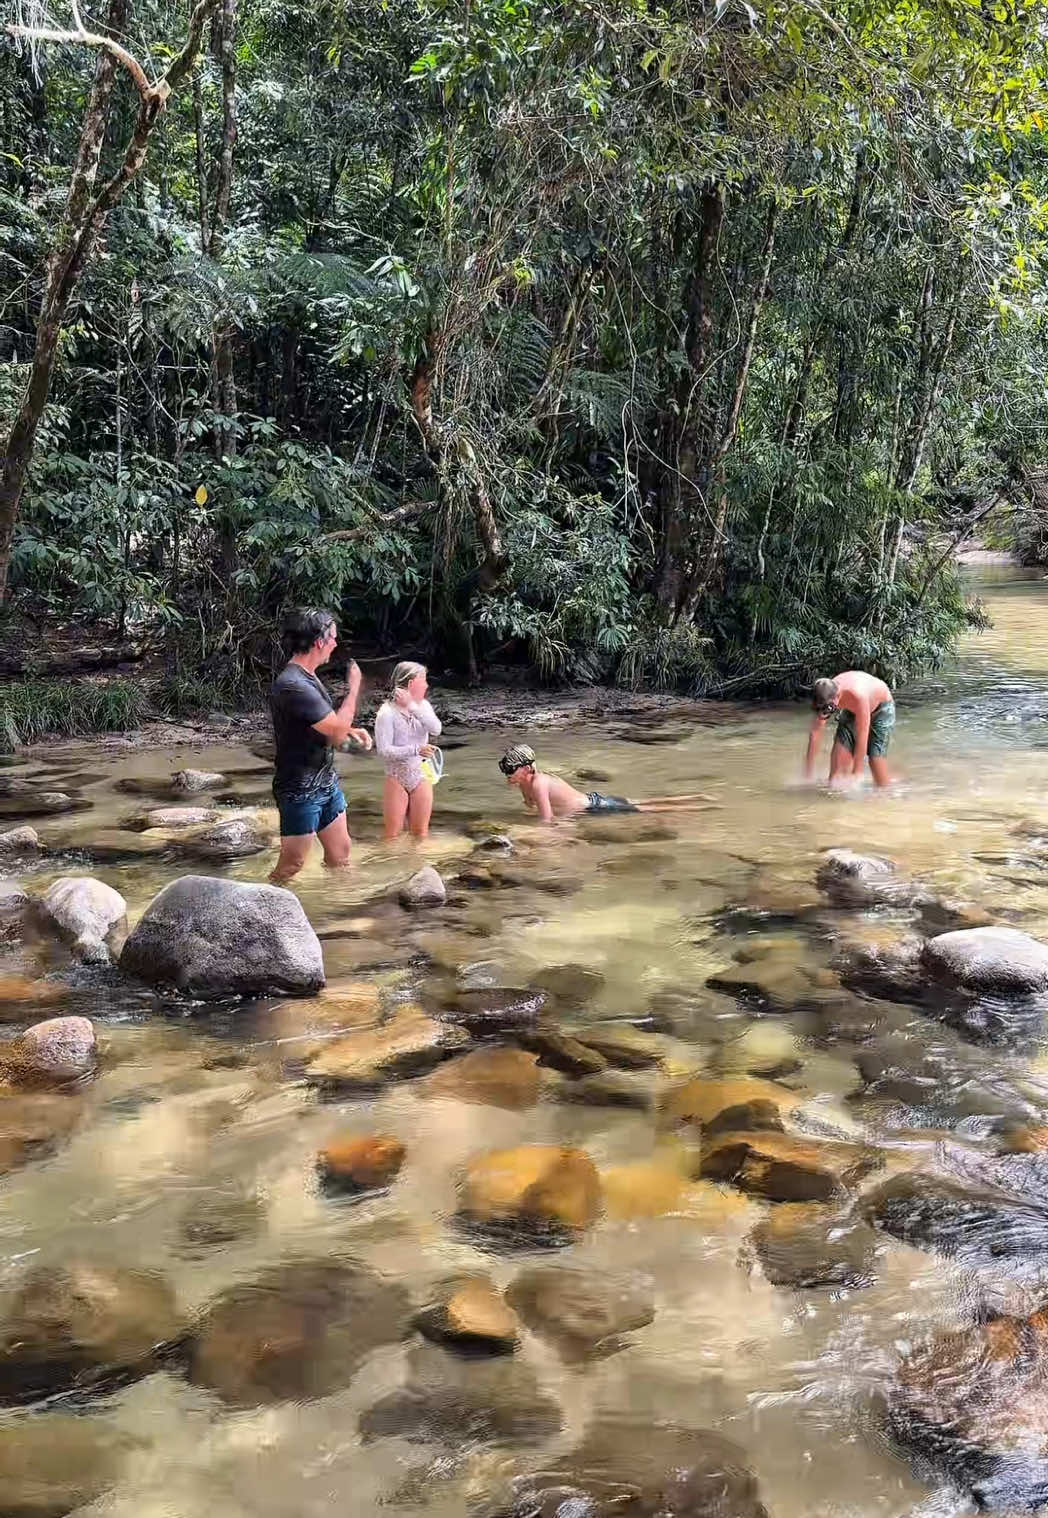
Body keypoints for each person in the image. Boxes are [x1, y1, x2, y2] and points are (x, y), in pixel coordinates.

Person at [268, 607, 373, 883]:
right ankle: (263, 901)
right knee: (292, 865)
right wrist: (354, 688)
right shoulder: (293, 684)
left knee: (341, 854)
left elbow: (320, 725)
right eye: (333, 637)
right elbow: (336, 735)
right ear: (318, 641)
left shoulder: (308, 676)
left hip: (325, 781)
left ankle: (338, 905)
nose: (336, 644)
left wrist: (350, 729)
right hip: (300, 789)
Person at [498, 744, 713, 821]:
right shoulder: (525, 783)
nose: (507, 773)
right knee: (644, 803)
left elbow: (547, 820)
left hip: (594, 807)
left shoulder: (538, 783)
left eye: (510, 769)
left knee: (648, 809)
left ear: (526, 769)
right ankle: (699, 798)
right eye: (505, 769)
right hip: (593, 801)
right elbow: (532, 807)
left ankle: (700, 807)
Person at [374, 661, 442, 841]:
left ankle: (418, 860)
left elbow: (436, 729)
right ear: (411, 683)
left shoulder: (423, 706)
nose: (426, 685)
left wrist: (412, 707)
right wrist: (416, 749)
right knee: (392, 837)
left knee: (421, 835)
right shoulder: (386, 712)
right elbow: (384, 750)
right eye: (423, 680)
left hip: (421, 774)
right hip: (396, 776)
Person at [804, 670, 896, 788]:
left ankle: (886, 792)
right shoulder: (823, 695)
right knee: (836, 767)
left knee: (875, 759)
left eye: (828, 708)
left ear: (837, 697)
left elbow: (862, 733)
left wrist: (857, 772)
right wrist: (809, 769)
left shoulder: (857, 695)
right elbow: (815, 733)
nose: (825, 711)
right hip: (852, 709)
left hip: (881, 707)